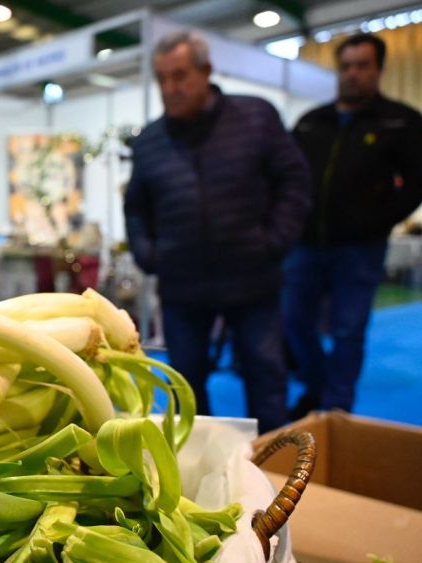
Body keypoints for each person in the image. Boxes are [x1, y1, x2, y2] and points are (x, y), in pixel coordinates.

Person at [124, 32, 310, 433]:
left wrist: (274, 241)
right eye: (162, 79)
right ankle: (202, 470)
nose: (170, 89)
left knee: (265, 377)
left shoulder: (256, 117)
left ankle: (276, 468)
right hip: (182, 288)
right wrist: (149, 253)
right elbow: (136, 207)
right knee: (185, 385)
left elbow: (294, 182)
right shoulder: (150, 142)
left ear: (206, 72)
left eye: (180, 76)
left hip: (253, 280)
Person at [285, 33, 422, 417]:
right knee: (293, 321)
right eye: (346, 66)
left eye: (362, 65)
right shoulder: (311, 123)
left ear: (378, 69)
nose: (353, 74)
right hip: (305, 245)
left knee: (348, 331)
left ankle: (337, 407)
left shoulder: (401, 121)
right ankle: (317, 387)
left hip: (360, 249)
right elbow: (287, 177)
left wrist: (376, 221)